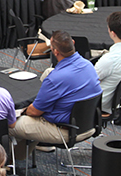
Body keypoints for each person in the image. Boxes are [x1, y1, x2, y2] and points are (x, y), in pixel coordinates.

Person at [10, 30, 101, 158]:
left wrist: (23, 111)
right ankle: (22, 152)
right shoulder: (88, 65)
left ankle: (10, 160)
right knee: (48, 71)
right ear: (73, 43)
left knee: (9, 123)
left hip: (64, 130)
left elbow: (34, 112)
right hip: (89, 123)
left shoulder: (55, 79)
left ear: (55, 52)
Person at [94, 11, 121, 114]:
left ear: (112, 33)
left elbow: (90, 80)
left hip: (100, 102)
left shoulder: (109, 60)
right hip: (118, 100)